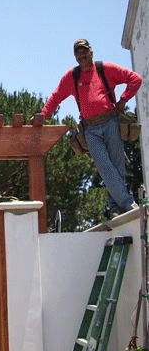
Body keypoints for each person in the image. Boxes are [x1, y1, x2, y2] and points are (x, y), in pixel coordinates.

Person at [36, 39, 142, 219]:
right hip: (91, 130)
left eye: (84, 51)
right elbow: (56, 96)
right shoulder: (72, 76)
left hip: (110, 123)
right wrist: (43, 114)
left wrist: (123, 100)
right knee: (105, 167)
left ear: (91, 52)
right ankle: (128, 204)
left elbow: (135, 79)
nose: (81, 55)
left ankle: (114, 208)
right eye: (77, 53)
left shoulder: (104, 69)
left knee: (117, 167)